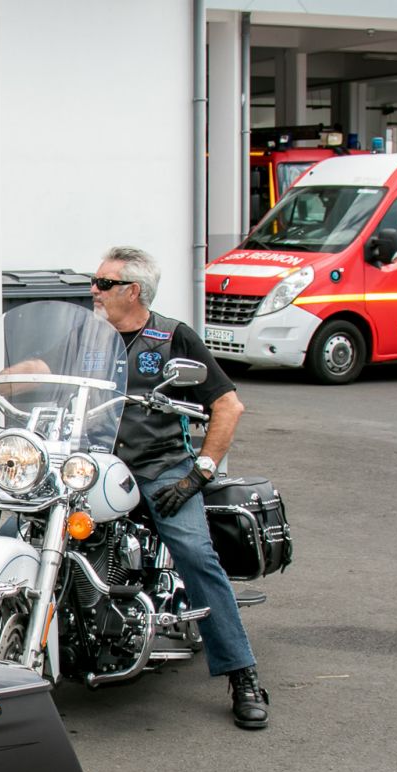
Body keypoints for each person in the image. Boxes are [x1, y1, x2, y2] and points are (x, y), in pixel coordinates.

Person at [87, 245, 271, 729]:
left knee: (196, 554)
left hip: (158, 467)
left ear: (133, 290)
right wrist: (12, 378)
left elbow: (228, 405)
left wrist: (199, 473)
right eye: (95, 281)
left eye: (103, 283)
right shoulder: (90, 337)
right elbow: (50, 377)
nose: (94, 290)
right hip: (91, 465)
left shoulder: (173, 338)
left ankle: (241, 672)